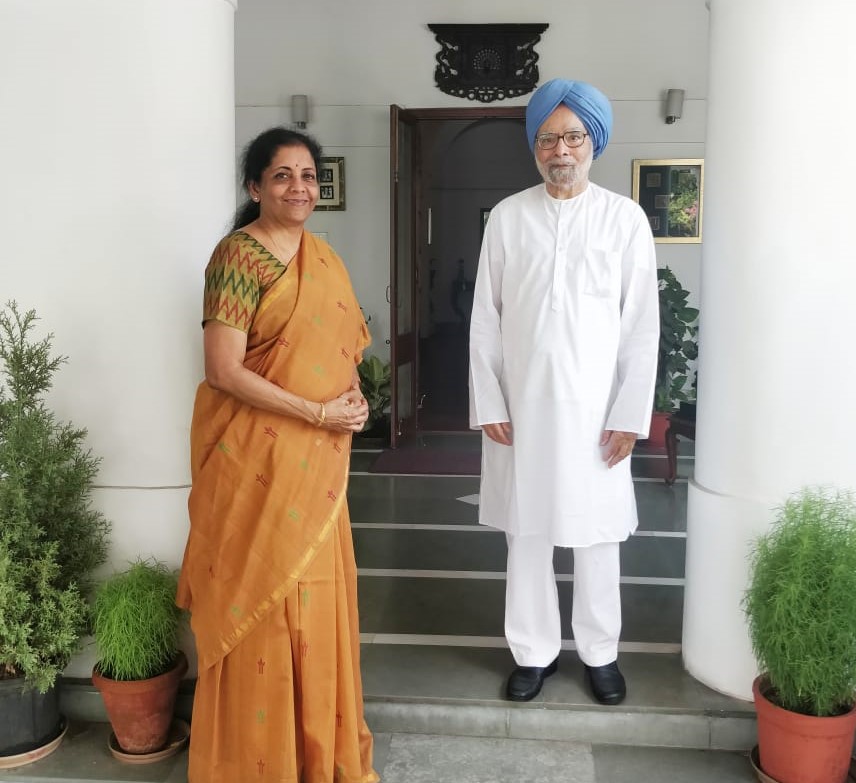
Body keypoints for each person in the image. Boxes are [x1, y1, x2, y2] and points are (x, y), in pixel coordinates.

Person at [177, 127, 379, 783]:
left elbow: (343, 350)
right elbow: (223, 370)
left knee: (315, 604)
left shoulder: (325, 259)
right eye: (283, 175)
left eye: (308, 175)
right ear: (255, 187)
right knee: (258, 606)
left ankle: (315, 754)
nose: (299, 187)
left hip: (314, 469)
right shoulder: (239, 257)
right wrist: (317, 413)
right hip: (253, 463)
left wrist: (352, 400)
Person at [468, 79, 659, 706]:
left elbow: (642, 327)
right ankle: (533, 652)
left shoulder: (624, 219)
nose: (561, 150)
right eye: (548, 138)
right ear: (534, 146)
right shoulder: (508, 217)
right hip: (522, 408)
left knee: (597, 535)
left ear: (593, 143)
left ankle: (600, 654)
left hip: (598, 413)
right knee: (526, 534)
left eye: (573, 136)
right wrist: (488, 401)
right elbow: (485, 318)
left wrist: (630, 415)